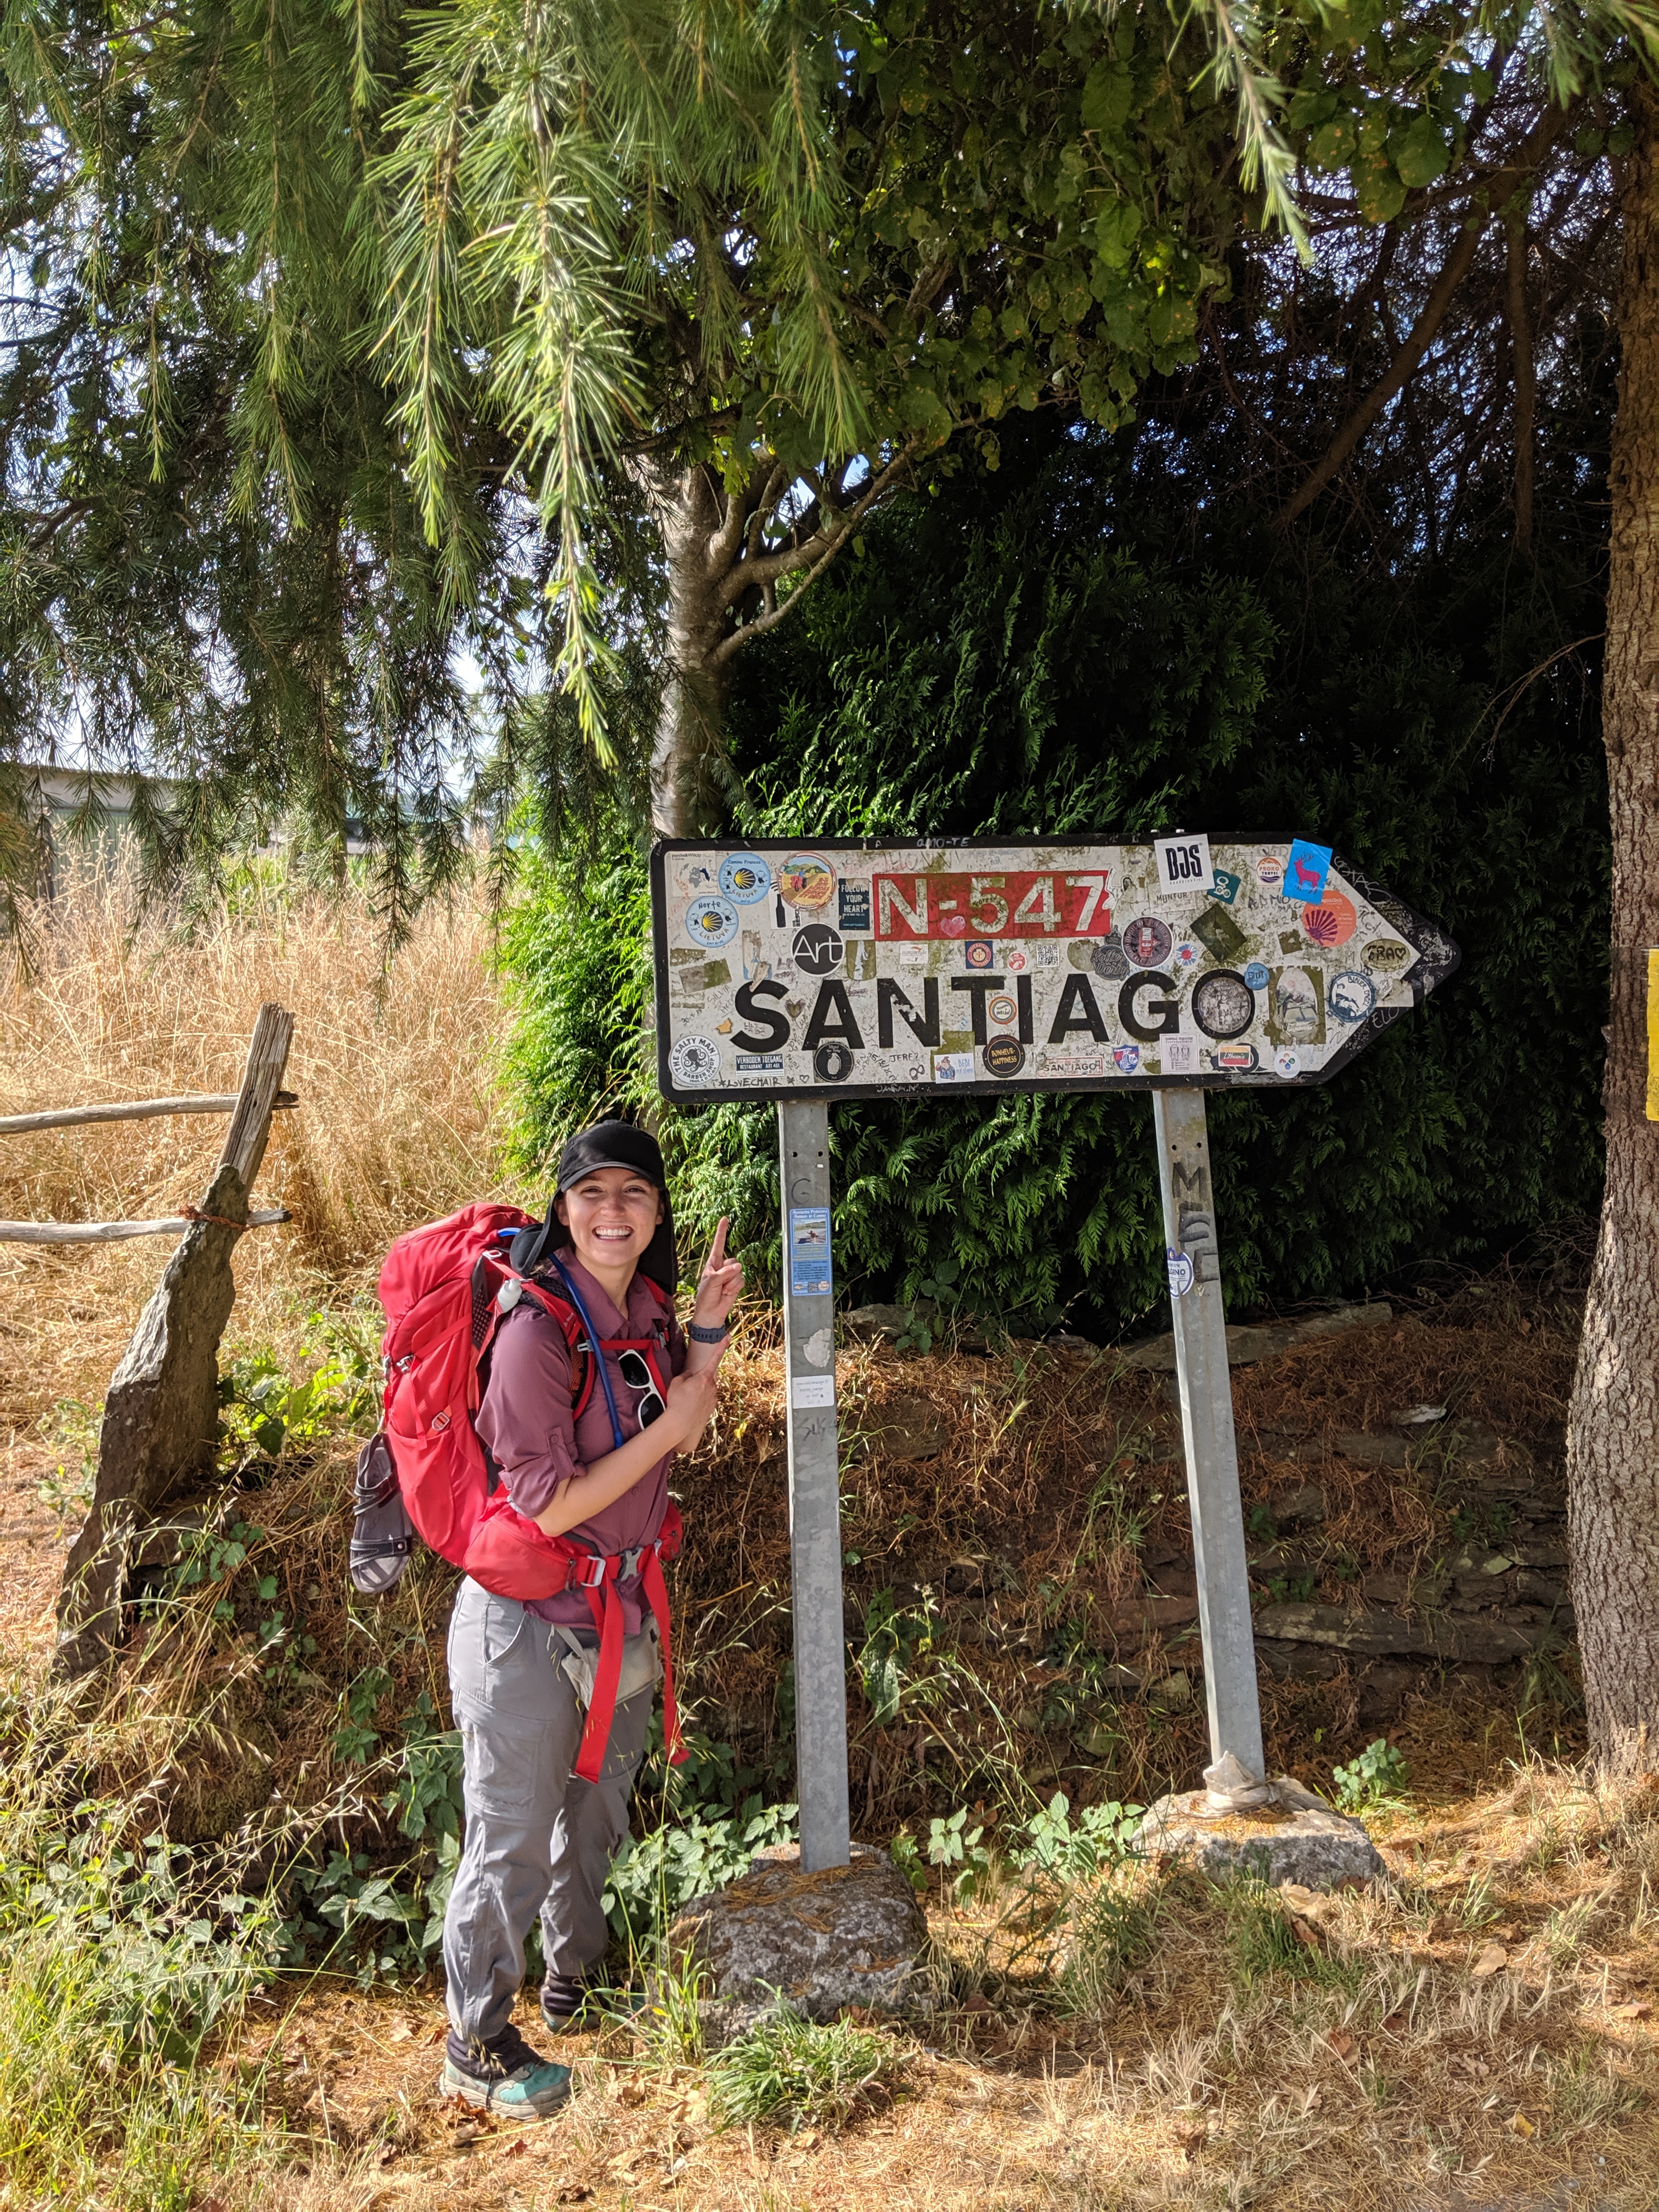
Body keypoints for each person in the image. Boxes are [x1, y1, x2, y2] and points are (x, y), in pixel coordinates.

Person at [439, 1120, 743, 2119]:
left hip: (619, 1610)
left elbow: (676, 1435)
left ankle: (573, 1982)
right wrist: (674, 1423)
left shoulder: (645, 1310)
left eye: (634, 1194)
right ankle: (475, 2041)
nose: (614, 1211)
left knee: (597, 1815)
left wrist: (704, 1334)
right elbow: (548, 1504)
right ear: (564, 1210)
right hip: (525, 1623)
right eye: (593, 1193)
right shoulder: (536, 1333)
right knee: (514, 1836)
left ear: (656, 1213)